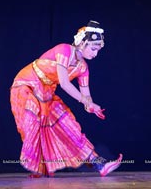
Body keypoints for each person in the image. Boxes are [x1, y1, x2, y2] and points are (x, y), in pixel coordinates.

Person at [10, 20, 123, 178]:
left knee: (69, 127)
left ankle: (100, 164)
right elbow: (64, 83)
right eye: (93, 48)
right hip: (26, 85)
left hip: (46, 92)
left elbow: (86, 94)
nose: (95, 54)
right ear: (82, 43)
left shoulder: (83, 68)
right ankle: (39, 167)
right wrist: (85, 101)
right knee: (34, 125)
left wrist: (91, 106)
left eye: (98, 50)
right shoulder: (65, 50)